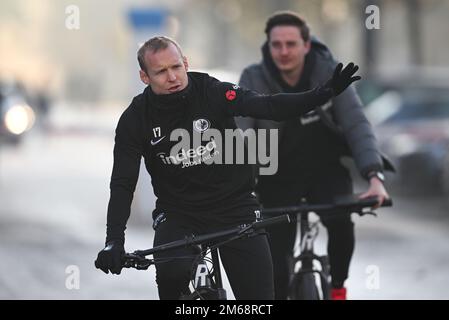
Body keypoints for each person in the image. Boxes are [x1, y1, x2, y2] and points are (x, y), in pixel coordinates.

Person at [94, 36, 360, 300]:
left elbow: (269, 106)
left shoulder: (212, 91)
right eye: (161, 72)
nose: (172, 77)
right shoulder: (135, 118)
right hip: (178, 213)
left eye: (176, 67)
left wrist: (323, 93)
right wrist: (114, 241)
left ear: (185, 63)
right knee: (170, 276)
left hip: (235, 207)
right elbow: (122, 182)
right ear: (144, 77)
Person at [235, 11, 391, 300]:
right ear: (268, 46)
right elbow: (241, 133)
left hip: (325, 170)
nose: (283, 51)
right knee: (275, 268)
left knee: (342, 225)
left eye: (291, 44)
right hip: (276, 175)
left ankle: (338, 288)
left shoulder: (331, 74)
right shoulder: (253, 77)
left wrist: (374, 176)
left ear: (306, 45)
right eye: (276, 44)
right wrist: (236, 182)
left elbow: (357, 124)